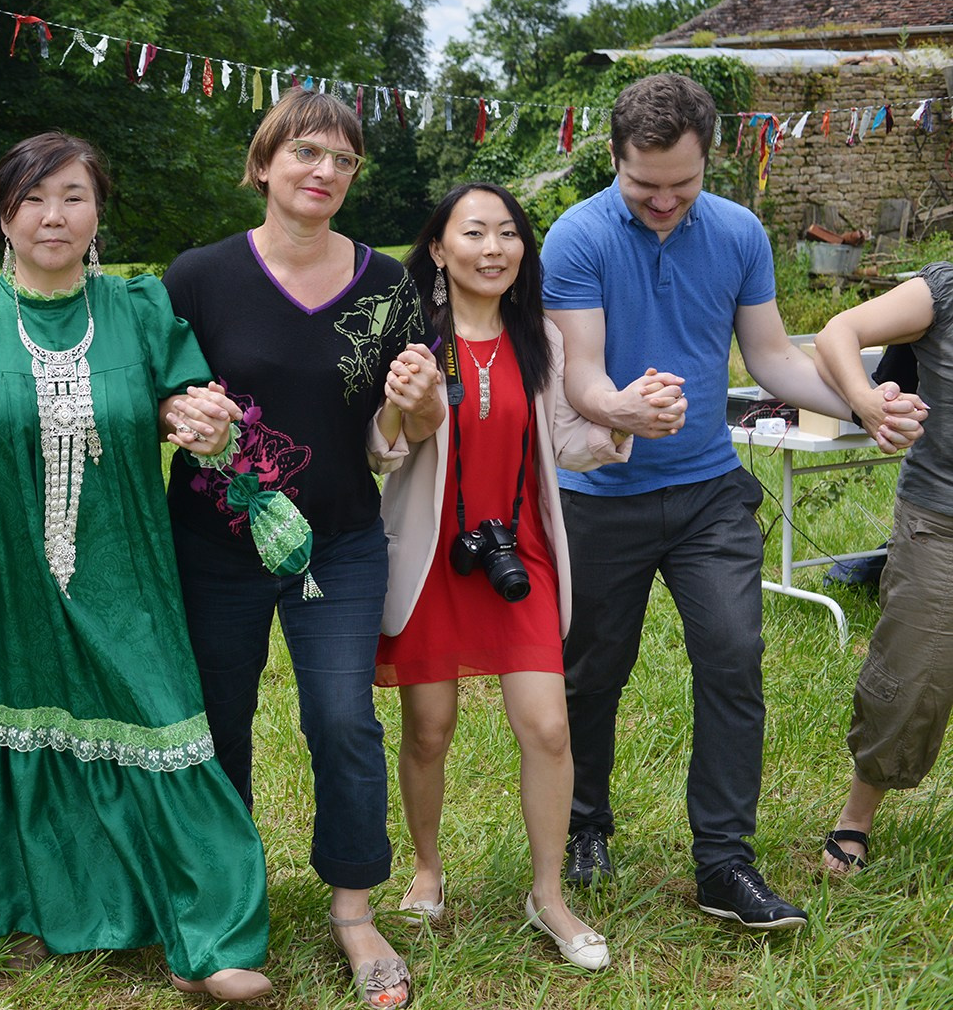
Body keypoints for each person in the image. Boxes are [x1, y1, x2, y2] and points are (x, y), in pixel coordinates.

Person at [0, 132, 274, 1003]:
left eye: (74, 196)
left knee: (162, 723)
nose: (54, 215)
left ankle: (212, 940)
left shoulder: (139, 309)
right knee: (20, 717)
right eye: (34, 198)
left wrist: (201, 421)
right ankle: (27, 905)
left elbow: (186, 409)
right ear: (2, 214)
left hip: (123, 565)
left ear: (97, 211)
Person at [539, 72, 925, 930]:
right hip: (599, 490)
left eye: (683, 184)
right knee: (592, 672)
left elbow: (771, 360)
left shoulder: (740, 232)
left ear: (709, 159)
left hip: (710, 489)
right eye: (645, 186)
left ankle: (724, 863)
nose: (665, 202)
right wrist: (620, 409)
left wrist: (859, 400)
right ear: (615, 159)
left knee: (733, 656)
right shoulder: (576, 238)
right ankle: (585, 825)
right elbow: (581, 374)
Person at [163, 88, 442, 1009]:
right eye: (306, 153)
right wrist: (176, 412)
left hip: (339, 542)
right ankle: (222, 910)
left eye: (344, 160)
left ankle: (355, 909)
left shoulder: (389, 285)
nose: (325, 172)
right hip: (214, 539)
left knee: (343, 720)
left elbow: (406, 429)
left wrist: (417, 395)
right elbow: (155, 394)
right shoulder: (199, 278)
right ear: (264, 162)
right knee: (218, 724)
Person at [375, 183, 646, 972]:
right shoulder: (413, 341)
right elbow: (379, 451)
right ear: (438, 248)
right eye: (474, 233)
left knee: (550, 727)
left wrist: (622, 419)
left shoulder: (543, 341)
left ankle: (549, 894)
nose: (493, 248)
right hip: (435, 558)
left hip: (518, 558)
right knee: (428, 729)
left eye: (508, 234)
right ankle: (426, 868)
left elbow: (565, 442)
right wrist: (401, 407)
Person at [810, 268, 952, 876]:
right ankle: (857, 815)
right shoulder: (941, 292)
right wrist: (868, 400)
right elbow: (839, 331)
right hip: (941, 521)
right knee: (912, 674)